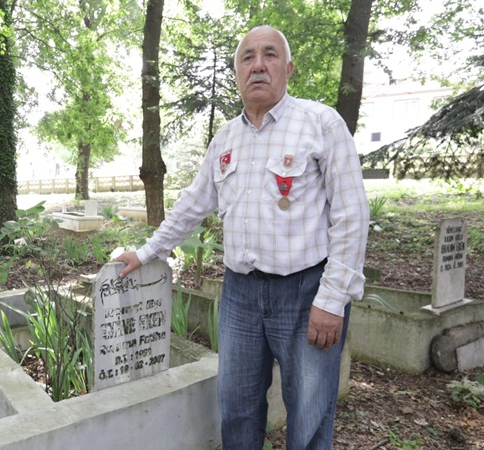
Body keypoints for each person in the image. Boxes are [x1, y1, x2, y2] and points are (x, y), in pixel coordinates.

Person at [115, 25, 369, 449]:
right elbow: (193, 204)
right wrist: (146, 252)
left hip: (306, 294)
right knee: (237, 409)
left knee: (309, 416)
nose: (258, 65)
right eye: (247, 57)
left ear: (288, 68)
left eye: (270, 54)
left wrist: (332, 299)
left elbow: (352, 215)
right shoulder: (226, 139)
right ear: (237, 73)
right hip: (240, 296)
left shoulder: (321, 124)